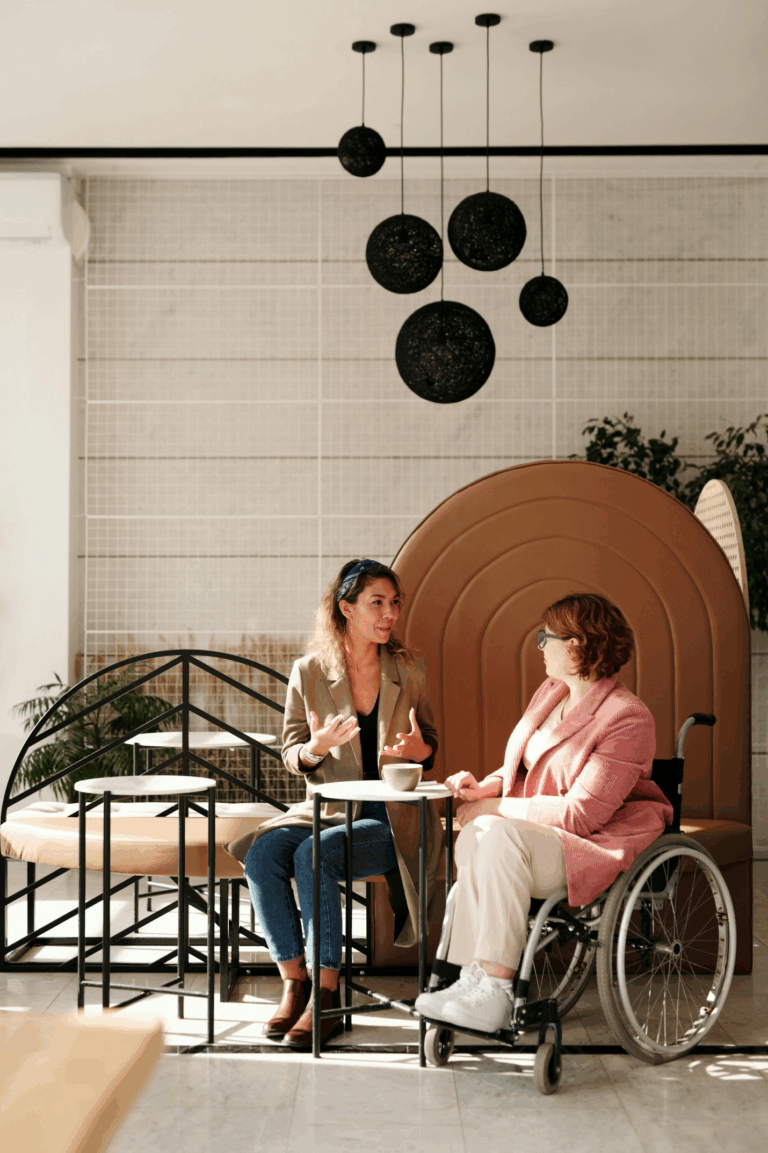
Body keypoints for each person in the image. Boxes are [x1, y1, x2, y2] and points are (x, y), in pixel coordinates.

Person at [415, 592, 673, 1034]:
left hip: (589, 843)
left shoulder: (627, 718)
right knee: (475, 834)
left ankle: (495, 989)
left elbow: (580, 815)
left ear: (578, 645)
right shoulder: (553, 692)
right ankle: (471, 977)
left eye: (545, 637)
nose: (539, 646)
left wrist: (494, 807)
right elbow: (529, 765)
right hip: (538, 832)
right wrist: (488, 785)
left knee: (496, 834)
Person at [226, 559, 441, 1049]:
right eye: (377, 603)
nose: (390, 614)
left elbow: (428, 742)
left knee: (312, 855)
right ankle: (294, 982)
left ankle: (328, 995)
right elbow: (291, 752)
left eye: (395, 603)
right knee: (263, 855)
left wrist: (417, 751)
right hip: (323, 810)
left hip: (390, 818)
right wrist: (316, 748)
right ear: (346, 608)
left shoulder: (408, 669)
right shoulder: (309, 672)